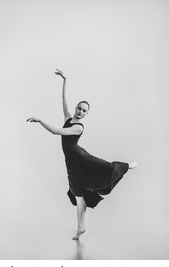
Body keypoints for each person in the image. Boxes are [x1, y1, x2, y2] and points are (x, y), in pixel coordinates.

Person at [27, 69, 137, 240]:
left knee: (108, 168)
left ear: (86, 114)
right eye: (79, 108)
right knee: (79, 195)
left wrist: (40, 120)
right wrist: (65, 79)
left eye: (84, 110)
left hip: (81, 159)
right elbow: (64, 98)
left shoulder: (78, 127)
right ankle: (80, 227)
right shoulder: (68, 117)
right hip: (72, 163)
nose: (80, 111)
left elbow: (56, 132)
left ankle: (128, 165)